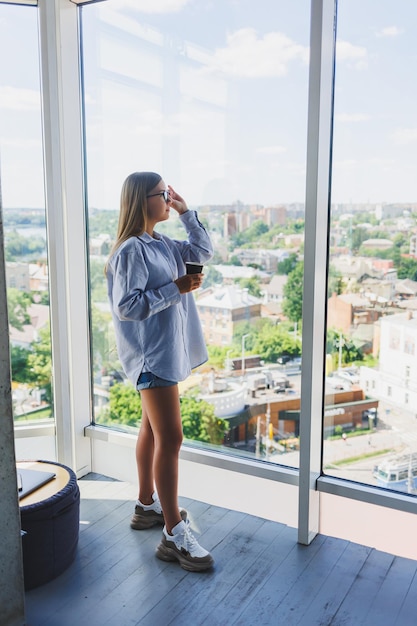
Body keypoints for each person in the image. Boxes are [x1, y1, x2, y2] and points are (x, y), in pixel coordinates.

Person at [105, 171, 214, 572]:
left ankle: (146, 506)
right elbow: (127, 306)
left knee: (151, 430)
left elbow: (204, 250)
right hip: (151, 356)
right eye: (163, 194)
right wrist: (178, 289)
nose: (168, 198)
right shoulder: (132, 250)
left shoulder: (161, 243)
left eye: (170, 193)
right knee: (172, 437)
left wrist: (186, 211)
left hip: (162, 353)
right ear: (142, 200)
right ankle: (173, 535)